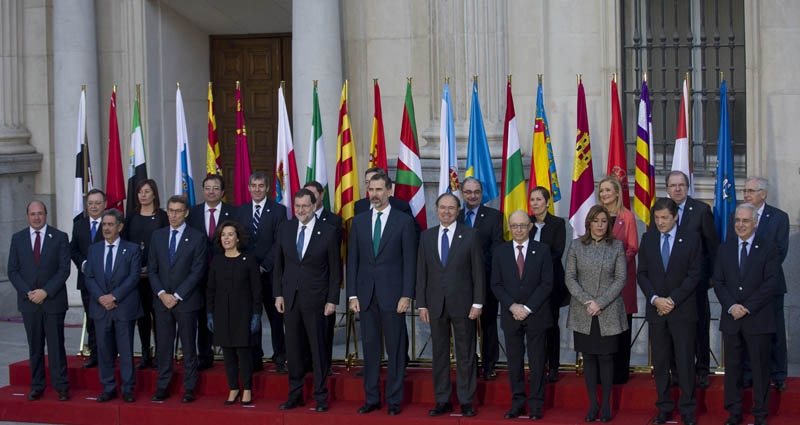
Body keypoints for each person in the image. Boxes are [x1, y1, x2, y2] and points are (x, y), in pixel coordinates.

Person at [347, 173, 416, 416]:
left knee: (396, 349)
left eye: (379, 189)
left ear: (389, 191)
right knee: (371, 348)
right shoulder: (359, 221)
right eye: (371, 189)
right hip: (366, 296)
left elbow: (410, 261)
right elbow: (352, 261)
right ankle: (372, 398)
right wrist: (352, 294)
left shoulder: (403, 222)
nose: (374, 194)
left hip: (394, 296)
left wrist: (407, 294)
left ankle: (395, 400)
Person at [416, 193, 484, 417]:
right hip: (435, 305)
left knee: (465, 354)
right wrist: (422, 304)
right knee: (439, 354)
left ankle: (466, 401)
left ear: (458, 211)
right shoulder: (426, 236)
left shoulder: (471, 235)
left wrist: (477, 303)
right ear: (436, 209)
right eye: (442, 207)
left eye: (451, 208)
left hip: (464, 305)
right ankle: (442, 400)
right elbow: (421, 273)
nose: (446, 211)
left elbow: (478, 272)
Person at [274, 189, 341, 412]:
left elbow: (335, 270)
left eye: (305, 205)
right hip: (290, 299)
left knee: (318, 350)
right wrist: (278, 294)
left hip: (317, 301)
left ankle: (321, 396)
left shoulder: (329, 232)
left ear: (314, 206)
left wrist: (332, 300)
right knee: (293, 350)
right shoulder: (285, 228)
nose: (301, 210)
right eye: (298, 206)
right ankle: (295, 395)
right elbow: (279, 265)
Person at [638, 198, 702, 425]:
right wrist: (656, 299)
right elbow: (642, 274)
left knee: (684, 362)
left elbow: (695, 274)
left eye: (664, 218)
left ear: (675, 217)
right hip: (657, 312)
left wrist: (672, 300)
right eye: (657, 218)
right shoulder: (648, 238)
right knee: (661, 362)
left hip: (682, 311)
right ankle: (664, 407)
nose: (660, 222)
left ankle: (687, 410)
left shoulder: (692, 239)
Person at [715, 204, 778, 425]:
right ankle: (734, 412)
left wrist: (747, 306)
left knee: (760, 369)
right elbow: (719, 282)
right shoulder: (725, 248)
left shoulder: (768, 248)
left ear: (755, 223)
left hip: (758, 319)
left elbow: (771, 283)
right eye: (737, 221)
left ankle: (760, 413)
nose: (740, 225)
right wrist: (732, 306)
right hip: (732, 319)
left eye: (745, 221)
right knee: (733, 368)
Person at [655, 170, 718, 389]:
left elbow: (712, 247)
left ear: (687, 187)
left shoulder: (701, 210)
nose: (677, 189)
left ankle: (701, 370)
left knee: (699, 328)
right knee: (670, 332)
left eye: (681, 185)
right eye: (673, 185)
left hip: (695, 285)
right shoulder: (661, 211)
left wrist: (709, 279)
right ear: (667, 188)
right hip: (668, 286)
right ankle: (675, 372)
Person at [727, 176, 789, 392]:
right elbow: (730, 250)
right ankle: (748, 374)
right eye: (745, 190)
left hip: (770, 287)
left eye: (751, 190)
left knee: (776, 333)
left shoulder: (779, 218)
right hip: (742, 289)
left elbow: (780, 251)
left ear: (764, 193)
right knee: (745, 334)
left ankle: (778, 374)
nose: (746, 194)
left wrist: (758, 280)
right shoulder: (736, 217)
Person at [565, 205, 627, 423]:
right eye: (596, 221)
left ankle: (607, 405)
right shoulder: (576, 246)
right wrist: (586, 301)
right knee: (589, 357)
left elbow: (620, 279)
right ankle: (594, 405)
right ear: (588, 223)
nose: (600, 225)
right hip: (583, 311)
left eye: (603, 221)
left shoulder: (617, 246)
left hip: (608, 310)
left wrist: (599, 303)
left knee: (606, 357)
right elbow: (570, 277)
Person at [491, 211, 553, 420]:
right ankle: (517, 403)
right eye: (514, 226)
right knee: (514, 363)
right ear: (509, 227)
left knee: (536, 362)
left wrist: (527, 308)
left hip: (536, 315)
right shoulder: (500, 252)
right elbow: (496, 284)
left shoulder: (543, 250)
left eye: (522, 226)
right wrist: (512, 306)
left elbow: (547, 284)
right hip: (511, 315)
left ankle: (536, 405)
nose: (518, 229)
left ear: (530, 227)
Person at [7, 200, 71, 402]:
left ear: (46, 215)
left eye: (40, 213)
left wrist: (45, 291)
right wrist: (28, 292)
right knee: (34, 347)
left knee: (56, 346)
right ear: (27, 216)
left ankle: (61, 386)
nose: (36, 217)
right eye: (33, 214)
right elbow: (13, 270)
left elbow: (64, 270)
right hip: (29, 303)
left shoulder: (59, 237)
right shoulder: (17, 239)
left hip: (53, 301)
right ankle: (37, 386)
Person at [148, 195, 207, 403]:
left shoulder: (198, 237)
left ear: (186, 213)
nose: (173, 215)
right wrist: (162, 294)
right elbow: (152, 270)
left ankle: (189, 387)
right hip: (162, 302)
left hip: (187, 301)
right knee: (164, 347)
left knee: (189, 346)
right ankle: (163, 386)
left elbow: (197, 271)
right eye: (170, 210)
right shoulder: (157, 236)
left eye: (178, 211)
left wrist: (178, 295)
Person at [84, 209, 142, 403]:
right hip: (101, 308)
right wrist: (102, 297)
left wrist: (114, 297)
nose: (106, 228)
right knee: (104, 350)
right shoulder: (94, 249)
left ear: (120, 226)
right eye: (104, 225)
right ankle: (108, 387)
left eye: (110, 224)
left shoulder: (132, 249)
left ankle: (127, 388)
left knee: (125, 350)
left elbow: (134, 277)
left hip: (123, 307)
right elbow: (89, 277)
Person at [206, 220, 262, 406]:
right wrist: (210, 314)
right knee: (228, 353)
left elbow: (256, 290)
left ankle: (246, 389)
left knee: (243, 353)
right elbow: (211, 289)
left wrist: (256, 315)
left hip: (243, 314)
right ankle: (233, 388)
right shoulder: (217, 260)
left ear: (238, 238)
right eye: (223, 235)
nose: (226, 238)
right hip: (222, 314)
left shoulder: (249, 259)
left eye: (230, 234)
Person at [236, 171, 287, 373]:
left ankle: (280, 357)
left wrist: (264, 265)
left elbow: (279, 243)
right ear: (248, 188)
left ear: (267, 188)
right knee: (251, 317)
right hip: (247, 275)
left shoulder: (279, 211)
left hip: (271, 274)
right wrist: (248, 266)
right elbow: (237, 241)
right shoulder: (239, 212)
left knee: (276, 319)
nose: (257, 189)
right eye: (253, 186)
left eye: (260, 186)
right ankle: (254, 358)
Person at [187, 174, 236, 371]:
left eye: (215, 188)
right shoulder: (192, 213)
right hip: (199, 274)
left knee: (228, 314)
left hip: (225, 272)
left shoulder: (233, 213)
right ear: (202, 190)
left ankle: (230, 355)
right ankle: (204, 355)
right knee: (202, 314)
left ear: (222, 192)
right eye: (207, 188)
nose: (211, 191)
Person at [457, 177, 503, 381]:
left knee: (488, 324)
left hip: (486, 280)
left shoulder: (494, 217)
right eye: (468, 192)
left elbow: (497, 249)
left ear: (482, 192)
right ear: (461, 193)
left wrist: (479, 272)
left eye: (476, 192)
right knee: (464, 325)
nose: (472, 196)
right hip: (459, 283)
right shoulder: (454, 216)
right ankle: (468, 364)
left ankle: (489, 364)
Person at [596, 176, 639, 384]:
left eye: (608, 190)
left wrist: (616, 265)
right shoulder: (596, 216)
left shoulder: (627, 217)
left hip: (622, 280)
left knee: (621, 325)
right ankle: (600, 373)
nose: (604, 194)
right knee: (601, 328)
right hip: (598, 281)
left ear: (617, 193)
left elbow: (632, 247)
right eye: (601, 191)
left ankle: (619, 374)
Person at [123, 179, 169, 370]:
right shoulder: (131, 218)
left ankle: (160, 353)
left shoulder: (162, 217)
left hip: (157, 276)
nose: (143, 195)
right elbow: (125, 245)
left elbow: (166, 245)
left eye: (147, 191)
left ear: (154, 194)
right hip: (136, 277)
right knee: (141, 316)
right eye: (140, 192)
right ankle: (145, 353)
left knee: (157, 316)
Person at [528, 186, 567, 382]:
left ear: (547, 202)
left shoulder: (558, 224)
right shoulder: (526, 224)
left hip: (550, 283)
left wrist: (535, 267)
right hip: (528, 285)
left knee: (551, 325)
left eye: (538, 199)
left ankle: (553, 366)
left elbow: (556, 253)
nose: (535, 203)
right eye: (532, 199)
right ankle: (537, 364)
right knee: (534, 327)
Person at [304, 180, 342, 374]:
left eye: (313, 195)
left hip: (324, 284)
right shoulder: (297, 220)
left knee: (324, 330)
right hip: (303, 286)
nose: (310, 199)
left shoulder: (332, 221)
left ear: (321, 195)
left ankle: (324, 366)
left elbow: (333, 258)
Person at [69, 188, 106, 369]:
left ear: (104, 205)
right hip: (86, 281)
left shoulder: (110, 224)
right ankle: (94, 353)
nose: (94, 206)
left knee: (107, 319)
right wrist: (83, 263)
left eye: (97, 203)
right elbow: (73, 249)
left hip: (106, 282)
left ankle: (109, 352)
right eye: (90, 203)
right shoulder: (80, 225)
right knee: (91, 318)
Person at [354, 166, 421, 242]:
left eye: (374, 180)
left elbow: (413, 233)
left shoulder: (400, 206)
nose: (370, 185)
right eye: (367, 182)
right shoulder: (359, 205)